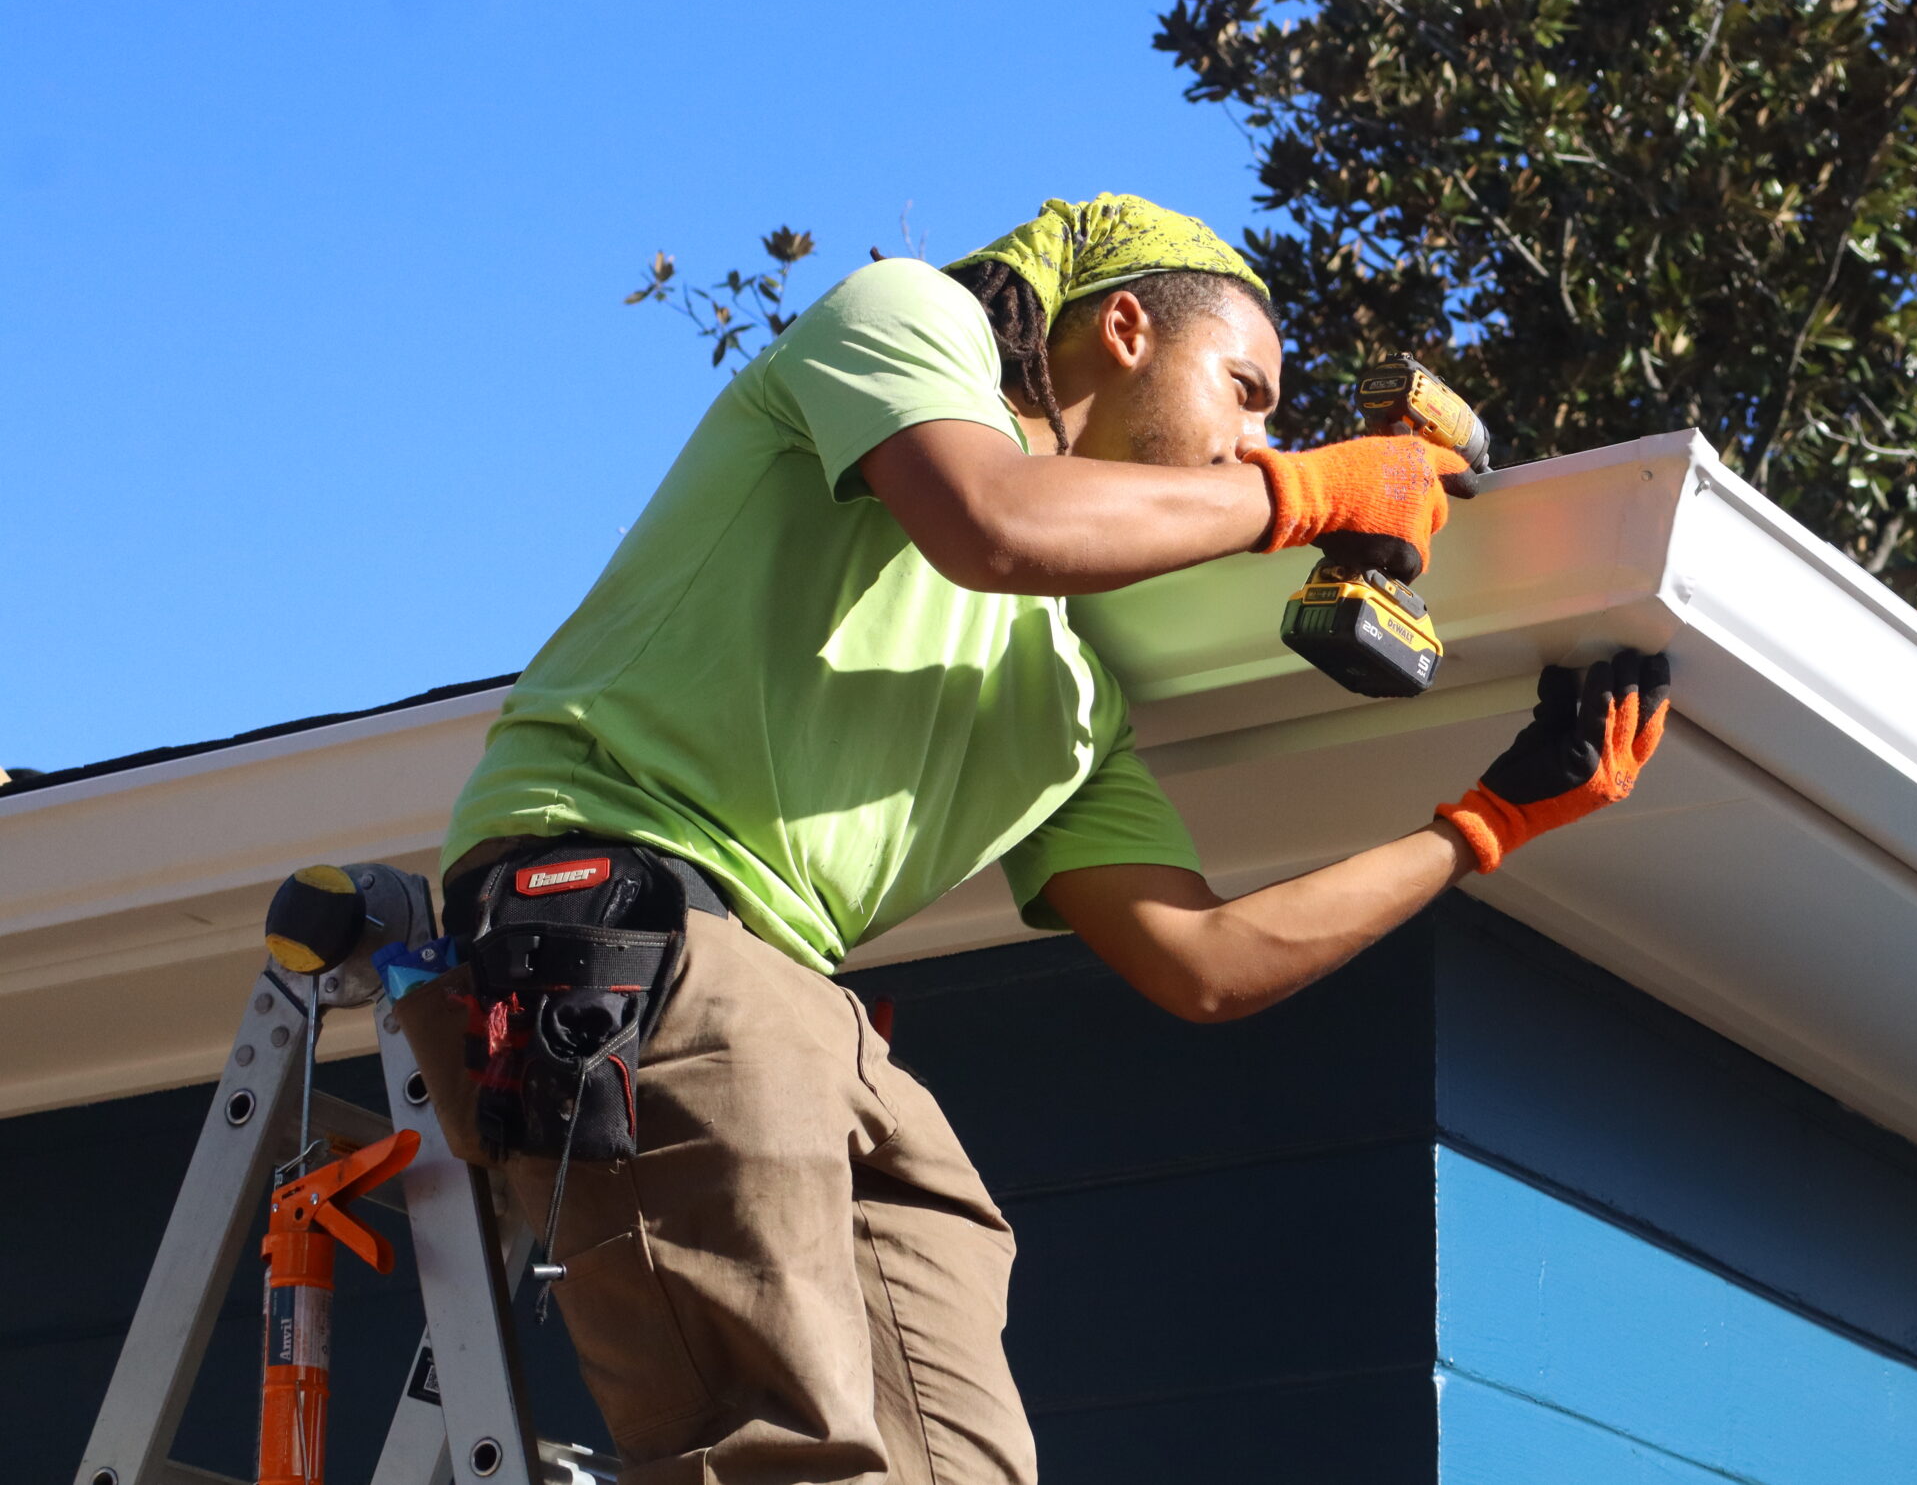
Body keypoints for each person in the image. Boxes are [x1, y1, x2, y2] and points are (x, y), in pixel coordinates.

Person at [411, 194, 1669, 1485]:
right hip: (629, 918)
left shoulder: (1064, 695)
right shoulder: (904, 321)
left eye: (1274, 430)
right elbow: (994, 523)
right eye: (1245, 393)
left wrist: (1484, 824)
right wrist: (1305, 494)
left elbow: (1206, 958)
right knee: (791, 1466)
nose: (1256, 441)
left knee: (964, 1431)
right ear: (1124, 327)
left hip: (793, 998)